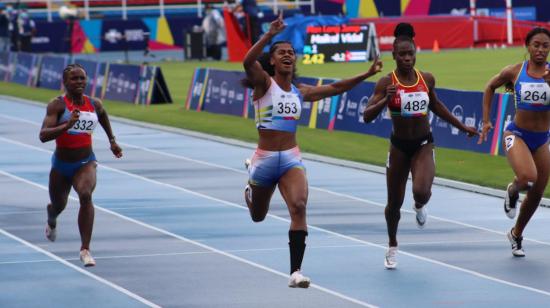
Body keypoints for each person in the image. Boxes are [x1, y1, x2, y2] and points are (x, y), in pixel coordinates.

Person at [242, 12, 382, 287]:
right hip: (265, 159)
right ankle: (250, 193)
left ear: (295, 60)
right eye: (281, 53)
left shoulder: (300, 92)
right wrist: (269, 35)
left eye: (291, 52)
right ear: (272, 60)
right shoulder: (263, 85)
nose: (286, 55)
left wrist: (366, 73)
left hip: (291, 158)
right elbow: (247, 61)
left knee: (299, 206)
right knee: (258, 216)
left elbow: (336, 87)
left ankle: (295, 272)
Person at [363, 23, 478, 269]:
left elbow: (436, 106)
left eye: (410, 54)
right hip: (399, 147)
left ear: (415, 54)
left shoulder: (426, 79)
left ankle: (419, 205)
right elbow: (366, 115)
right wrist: (386, 99)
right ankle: (392, 245)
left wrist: (462, 126)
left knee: (421, 192)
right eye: (402, 54)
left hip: (424, 143)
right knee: (394, 203)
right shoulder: (386, 82)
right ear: (393, 56)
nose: (406, 58)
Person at [39, 64, 123, 267]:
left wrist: (112, 140)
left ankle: (85, 249)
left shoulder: (94, 104)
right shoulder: (57, 105)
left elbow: (102, 115)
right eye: (74, 79)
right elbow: (43, 135)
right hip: (61, 165)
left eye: (82, 78)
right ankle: (52, 216)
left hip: (85, 162)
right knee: (58, 205)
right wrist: (66, 126)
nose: (79, 82)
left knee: (85, 195)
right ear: (65, 82)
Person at [478, 27, 550, 257]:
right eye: (536, 45)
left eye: (545, 46)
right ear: (528, 47)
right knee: (528, 178)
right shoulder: (515, 72)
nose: (540, 50)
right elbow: (489, 86)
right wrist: (487, 120)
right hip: (517, 134)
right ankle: (512, 189)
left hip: (542, 139)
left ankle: (516, 234)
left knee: (538, 192)